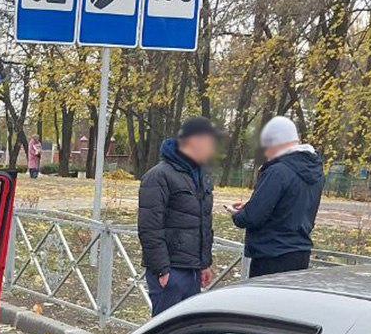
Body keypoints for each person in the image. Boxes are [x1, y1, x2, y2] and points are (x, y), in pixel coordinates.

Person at [137, 116, 217, 316]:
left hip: (193, 269)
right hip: (171, 270)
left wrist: (204, 263)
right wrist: (162, 270)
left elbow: (204, 222)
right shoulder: (159, 175)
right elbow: (149, 226)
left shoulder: (201, 175)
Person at [228, 116, 324, 277]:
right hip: (300, 253)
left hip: (272, 256)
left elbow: (253, 217)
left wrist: (237, 214)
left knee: (265, 302)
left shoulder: (277, 171)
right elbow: (291, 208)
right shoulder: (316, 172)